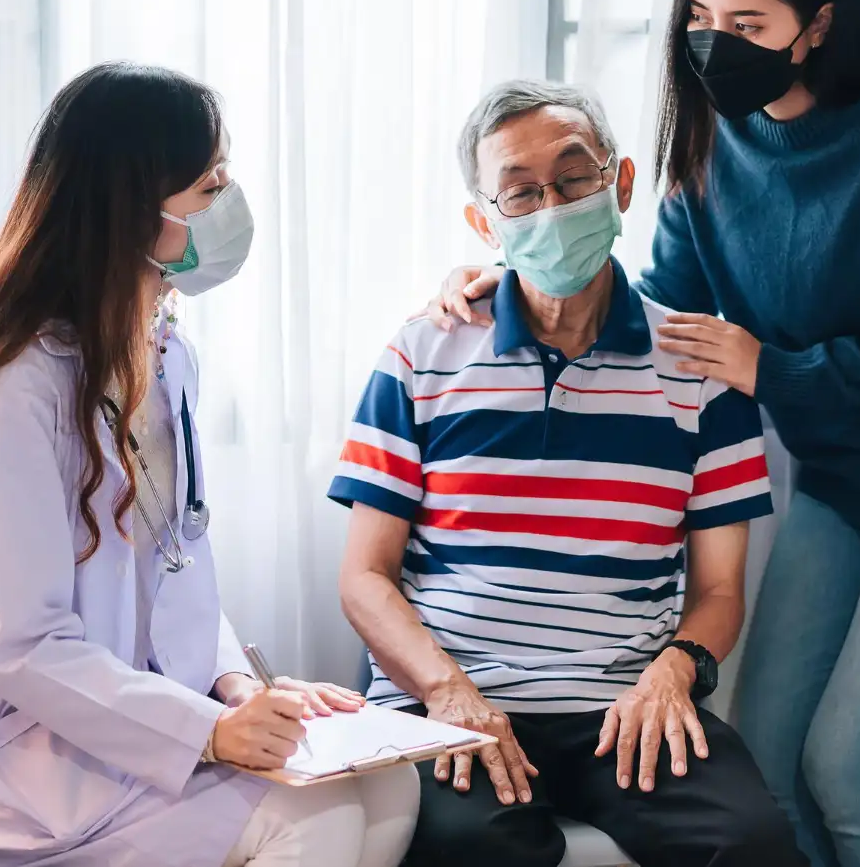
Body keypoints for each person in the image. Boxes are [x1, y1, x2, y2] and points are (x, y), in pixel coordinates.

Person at [422, 0, 860, 867]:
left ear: (817, 26)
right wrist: (514, 267)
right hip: (840, 481)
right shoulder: (711, 148)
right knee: (762, 759)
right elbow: (656, 314)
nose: (717, 44)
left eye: (748, 23)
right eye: (701, 21)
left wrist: (781, 366)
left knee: (853, 768)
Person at [0, 62, 418, 867]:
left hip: (137, 716)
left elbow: (178, 560)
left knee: (387, 780)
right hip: (23, 761)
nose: (230, 205)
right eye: (210, 186)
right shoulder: (13, 390)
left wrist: (237, 689)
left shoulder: (163, 355)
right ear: (130, 210)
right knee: (318, 814)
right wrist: (209, 730)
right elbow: (24, 650)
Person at [332, 80, 805, 867]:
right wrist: (448, 691)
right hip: (455, 697)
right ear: (486, 221)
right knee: (471, 850)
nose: (552, 205)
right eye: (520, 192)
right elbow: (364, 577)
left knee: (751, 843)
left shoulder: (700, 368)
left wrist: (674, 671)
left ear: (619, 183)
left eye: (574, 176)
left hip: (625, 703)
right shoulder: (423, 352)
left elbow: (720, 591)